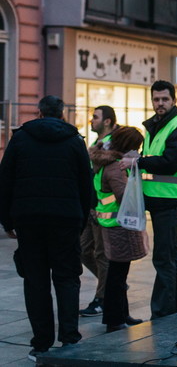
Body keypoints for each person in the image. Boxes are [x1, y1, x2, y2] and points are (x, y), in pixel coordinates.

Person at [0, 96, 93, 361]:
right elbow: (86, 184)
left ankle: (40, 344)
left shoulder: (20, 138)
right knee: (66, 278)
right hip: (65, 220)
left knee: (36, 280)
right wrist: (81, 219)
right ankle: (70, 340)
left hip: (29, 220)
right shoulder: (75, 141)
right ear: (62, 114)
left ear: (39, 112)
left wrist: (7, 220)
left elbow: (5, 180)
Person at [118, 80, 177, 319]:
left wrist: (138, 161)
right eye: (156, 99)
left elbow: (171, 163)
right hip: (158, 199)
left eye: (164, 99)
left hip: (171, 200)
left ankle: (163, 312)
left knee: (164, 257)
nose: (159, 103)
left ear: (174, 100)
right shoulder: (157, 126)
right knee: (170, 255)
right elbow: (155, 158)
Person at [90, 126, 147, 332]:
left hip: (112, 224)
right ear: (128, 147)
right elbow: (126, 196)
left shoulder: (106, 162)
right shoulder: (115, 167)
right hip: (118, 225)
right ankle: (115, 320)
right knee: (117, 275)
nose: (138, 152)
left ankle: (122, 314)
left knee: (118, 274)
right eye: (136, 147)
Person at [80, 105, 119, 318]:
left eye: (95, 117)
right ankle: (112, 283)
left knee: (102, 254)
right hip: (91, 205)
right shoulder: (97, 143)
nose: (91, 120)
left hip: (103, 208)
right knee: (83, 249)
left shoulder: (114, 142)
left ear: (107, 121)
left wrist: (96, 205)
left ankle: (102, 298)